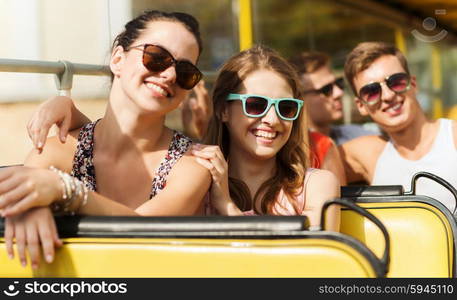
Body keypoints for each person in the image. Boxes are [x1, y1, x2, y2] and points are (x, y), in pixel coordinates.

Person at [0, 10, 211, 268]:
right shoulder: (57, 151)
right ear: (118, 59)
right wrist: (33, 205)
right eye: (156, 57)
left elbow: (143, 233)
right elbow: (26, 191)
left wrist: (63, 190)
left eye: (185, 71)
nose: (169, 75)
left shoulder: (194, 165)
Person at [191, 45, 340, 230]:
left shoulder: (317, 186)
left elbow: (312, 257)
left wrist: (226, 206)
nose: (273, 119)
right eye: (256, 105)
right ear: (223, 110)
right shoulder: (195, 182)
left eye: (286, 107)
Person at [339, 41, 457, 212]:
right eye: (371, 91)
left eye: (396, 82)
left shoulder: (452, 137)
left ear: (413, 84)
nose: (387, 95)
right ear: (361, 105)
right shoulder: (370, 153)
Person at [288, 51, 378, 145]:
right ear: (299, 99)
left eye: (338, 83)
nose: (339, 93)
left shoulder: (358, 136)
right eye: (326, 89)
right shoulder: (291, 153)